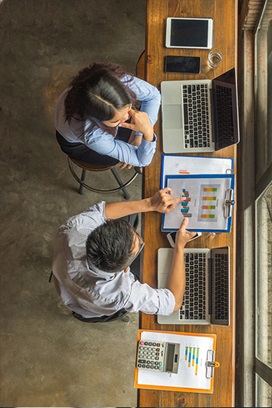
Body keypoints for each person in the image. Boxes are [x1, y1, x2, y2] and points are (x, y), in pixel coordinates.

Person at [52, 187, 196, 322]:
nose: (140, 239)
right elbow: (174, 303)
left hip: (65, 278)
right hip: (93, 309)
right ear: (125, 270)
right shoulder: (122, 293)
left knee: (132, 215)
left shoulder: (75, 228)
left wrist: (150, 203)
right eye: (139, 244)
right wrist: (180, 246)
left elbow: (102, 212)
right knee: (150, 269)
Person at [55, 62, 161, 169]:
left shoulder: (115, 83)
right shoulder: (94, 136)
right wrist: (147, 133)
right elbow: (141, 161)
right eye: (116, 120)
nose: (127, 117)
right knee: (128, 156)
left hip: (74, 117)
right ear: (96, 120)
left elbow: (154, 95)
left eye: (128, 108)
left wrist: (139, 136)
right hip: (78, 146)